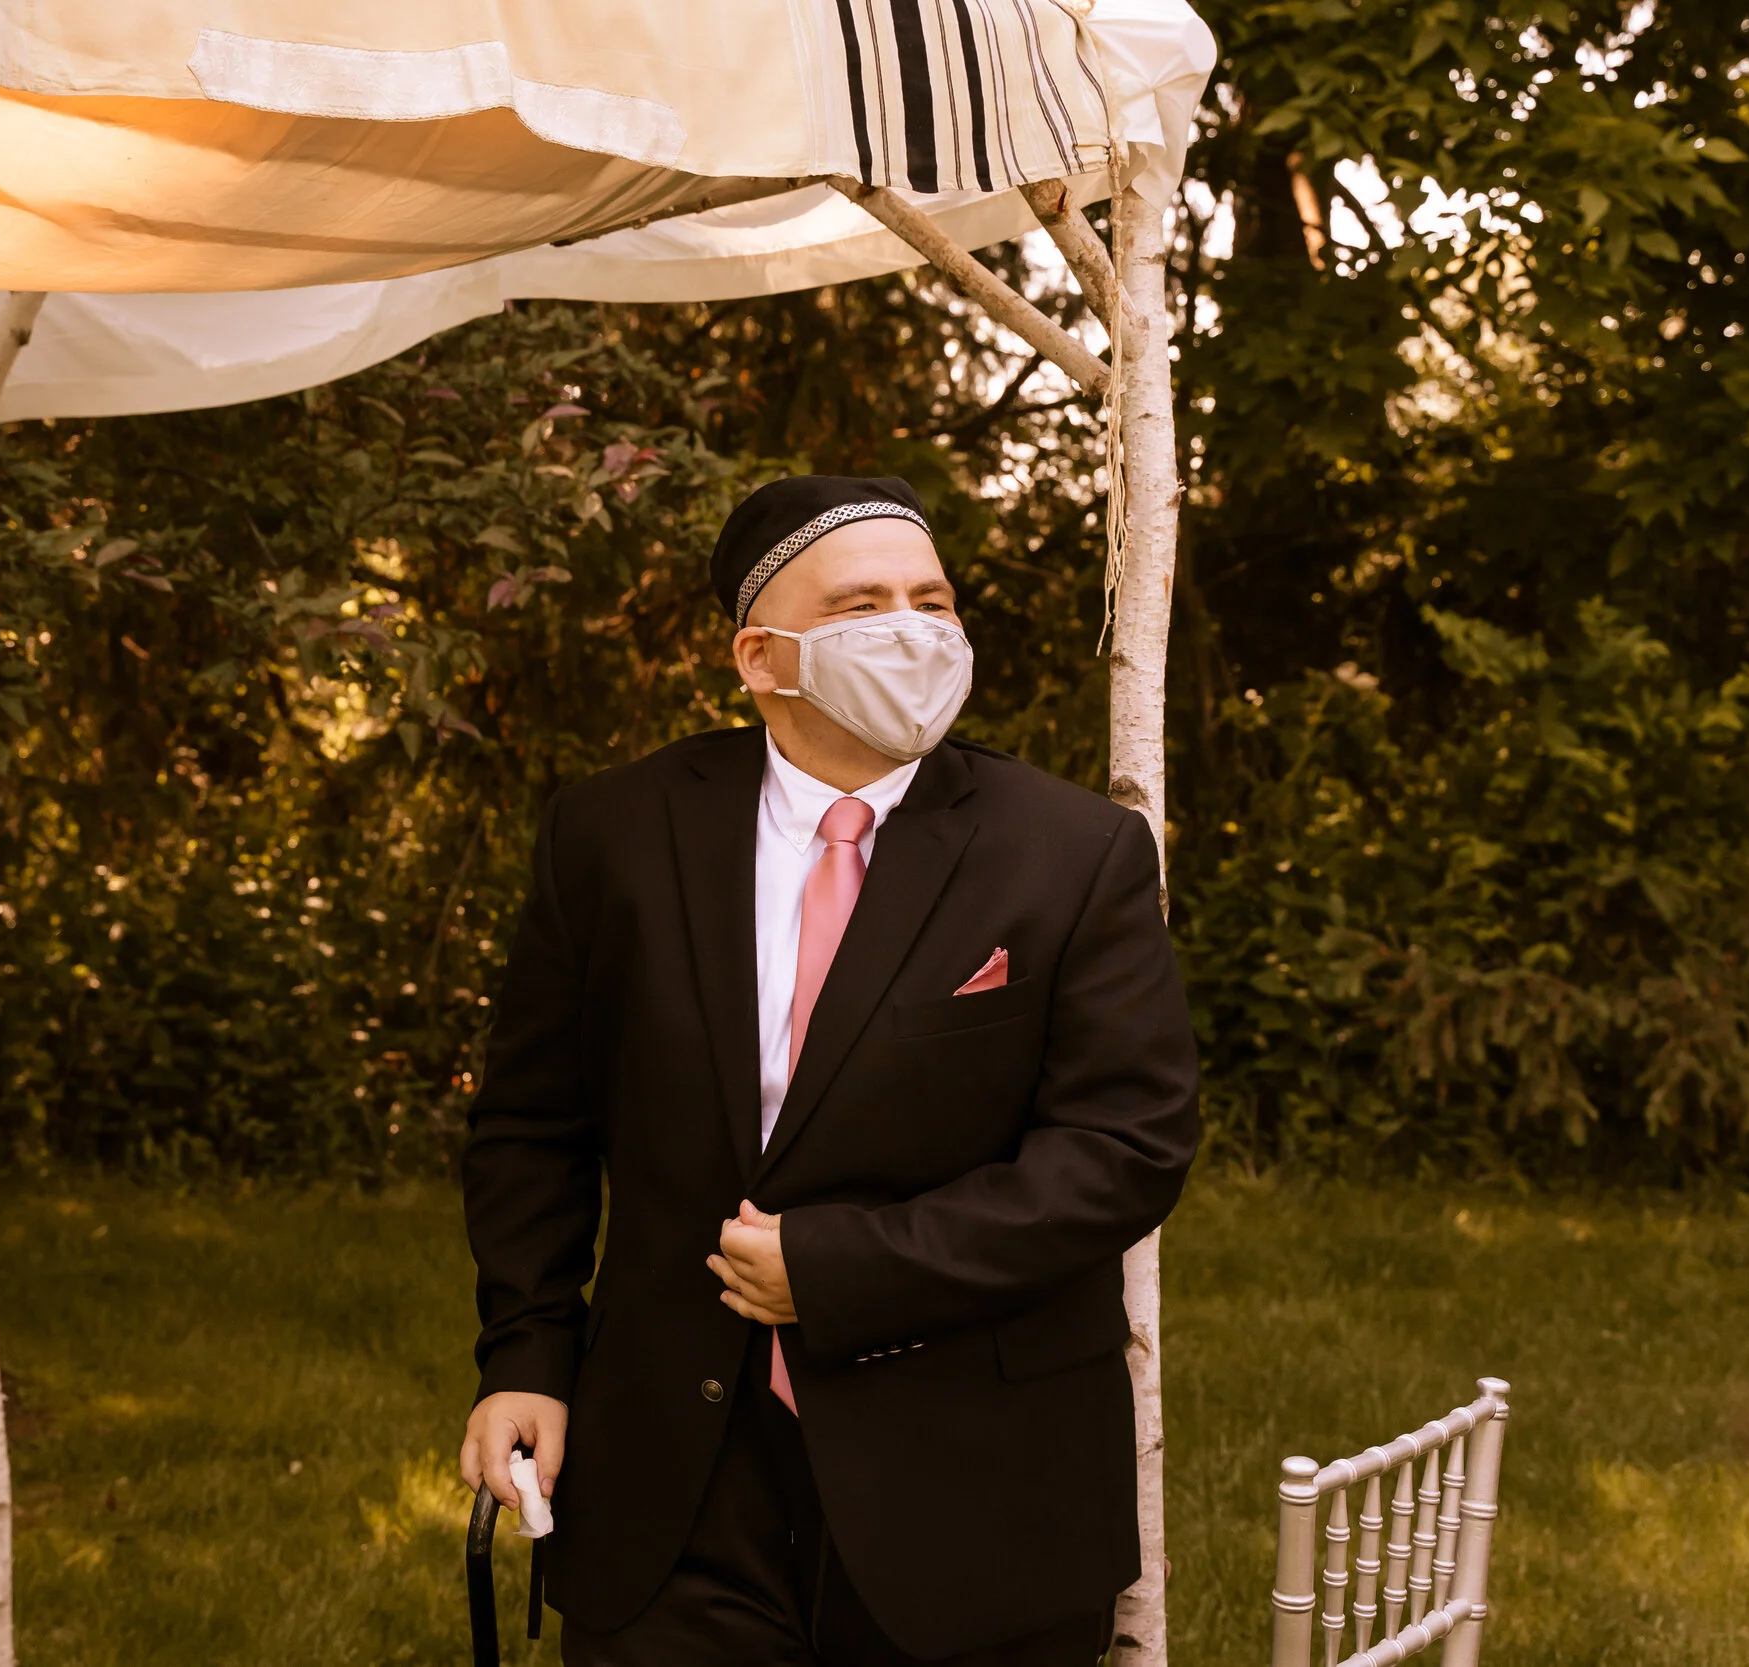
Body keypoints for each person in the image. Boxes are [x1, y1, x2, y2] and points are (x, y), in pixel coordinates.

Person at [459, 475, 1200, 1666]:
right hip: (674, 1479)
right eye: (865, 604)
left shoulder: (1071, 851)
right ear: (762, 654)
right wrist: (526, 1357)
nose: (915, 629)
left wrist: (843, 1266)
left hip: (973, 1478)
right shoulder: (613, 833)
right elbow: (532, 1127)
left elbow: (1124, 1149)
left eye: (934, 599)